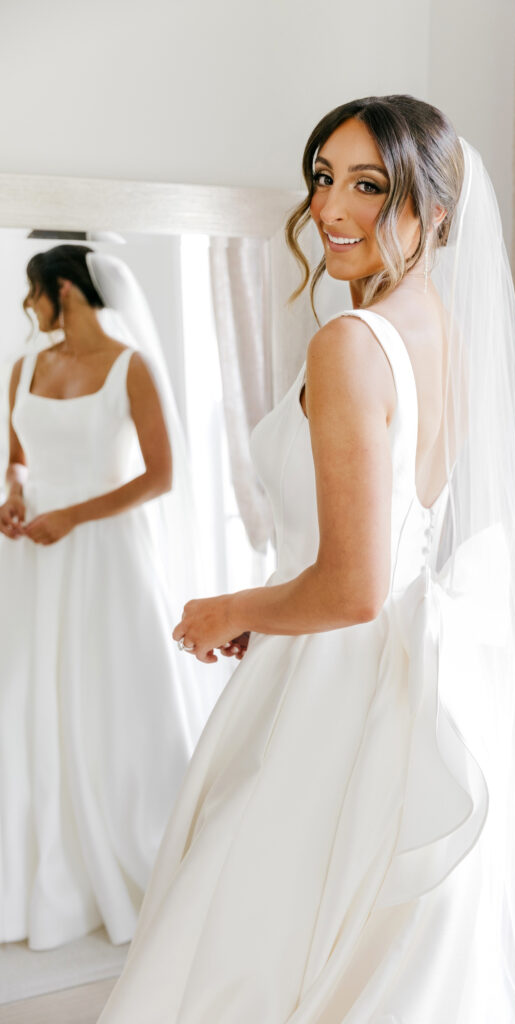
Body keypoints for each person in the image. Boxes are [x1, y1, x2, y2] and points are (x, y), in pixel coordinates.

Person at [98, 97, 515, 1022]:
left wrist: (230, 609)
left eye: (370, 186)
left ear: (435, 208)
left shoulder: (349, 344)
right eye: (324, 178)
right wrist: (282, 610)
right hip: (396, 679)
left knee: (250, 936)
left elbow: (354, 588)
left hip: (337, 695)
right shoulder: (439, 324)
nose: (330, 208)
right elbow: (385, 555)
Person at [0, 245, 215, 951]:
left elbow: (160, 477)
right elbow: (19, 460)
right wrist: (12, 499)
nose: (27, 310)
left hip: (104, 555)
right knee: (26, 695)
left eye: (34, 295)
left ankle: (122, 848)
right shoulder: (23, 368)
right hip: (31, 557)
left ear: (63, 290)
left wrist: (74, 515)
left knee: (107, 693)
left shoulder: (131, 367)